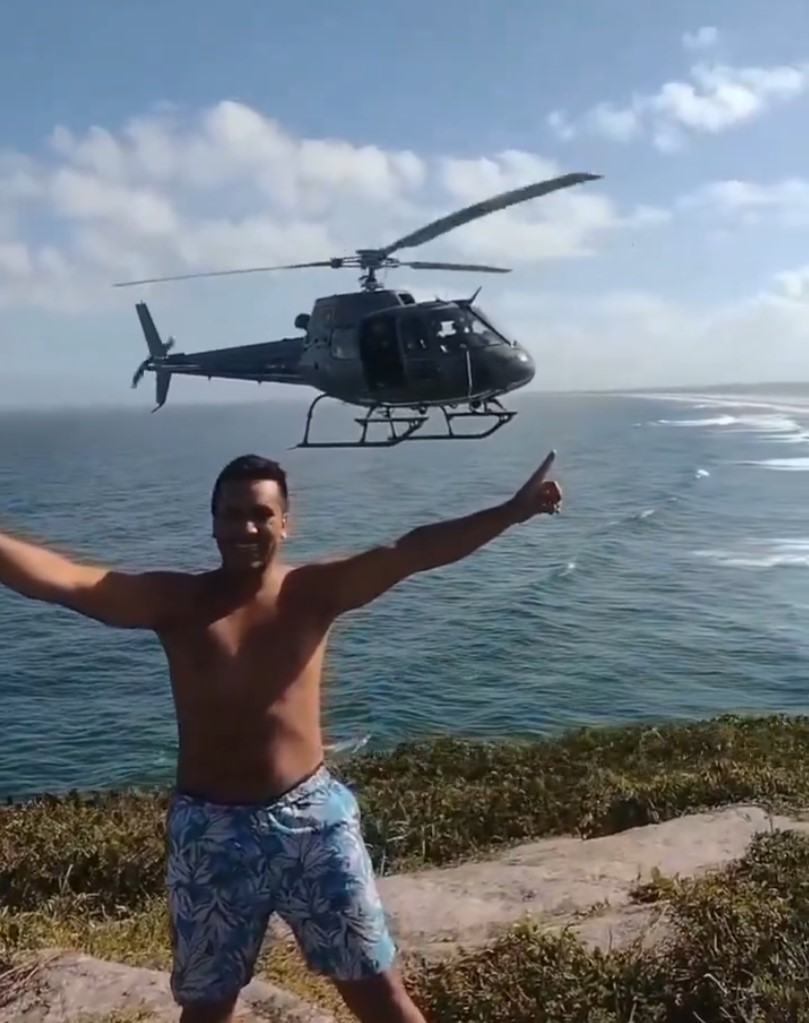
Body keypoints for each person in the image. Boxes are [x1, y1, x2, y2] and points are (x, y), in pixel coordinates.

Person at [0, 448, 563, 1023]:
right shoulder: (177, 602)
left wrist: (511, 512)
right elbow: (65, 581)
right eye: (233, 514)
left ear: (285, 523)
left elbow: (410, 553)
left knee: (381, 996)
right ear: (214, 521)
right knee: (207, 1006)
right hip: (210, 831)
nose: (246, 527)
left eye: (262, 515)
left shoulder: (311, 593)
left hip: (312, 822)